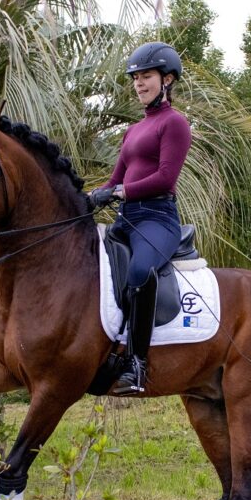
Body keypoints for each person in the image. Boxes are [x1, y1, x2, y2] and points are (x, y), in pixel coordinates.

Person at [90, 41, 192, 395]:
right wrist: (90, 197)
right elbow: (115, 177)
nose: (138, 84)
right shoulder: (133, 131)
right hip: (126, 219)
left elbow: (165, 177)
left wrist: (120, 193)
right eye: (135, 78)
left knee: (139, 271)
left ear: (166, 79)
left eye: (145, 76)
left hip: (157, 219)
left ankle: (137, 363)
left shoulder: (175, 124)